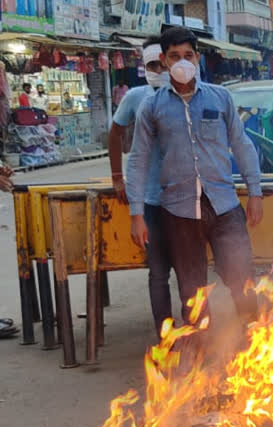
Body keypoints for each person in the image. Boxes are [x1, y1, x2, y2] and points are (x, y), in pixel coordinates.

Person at [126, 27, 263, 328]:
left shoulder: (221, 98)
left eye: (188, 55)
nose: (182, 62)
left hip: (224, 206)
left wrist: (255, 193)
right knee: (192, 289)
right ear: (163, 60)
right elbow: (137, 160)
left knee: (241, 276)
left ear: (198, 57)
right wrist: (137, 213)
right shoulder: (152, 107)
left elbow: (241, 144)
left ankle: (255, 343)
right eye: (174, 56)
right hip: (178, 210)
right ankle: (199, 353)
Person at [113, 36, 173, 338]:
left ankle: (196, 337)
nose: (159, 70)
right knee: (158, 273)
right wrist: (116, 178)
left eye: (163, 64)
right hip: (151, 202)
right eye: (152, 65)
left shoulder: (185, 95)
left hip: (186, 202)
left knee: (193, 275)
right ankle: (166, 337)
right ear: (144, 66)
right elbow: (115, 133)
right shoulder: (136, 98)